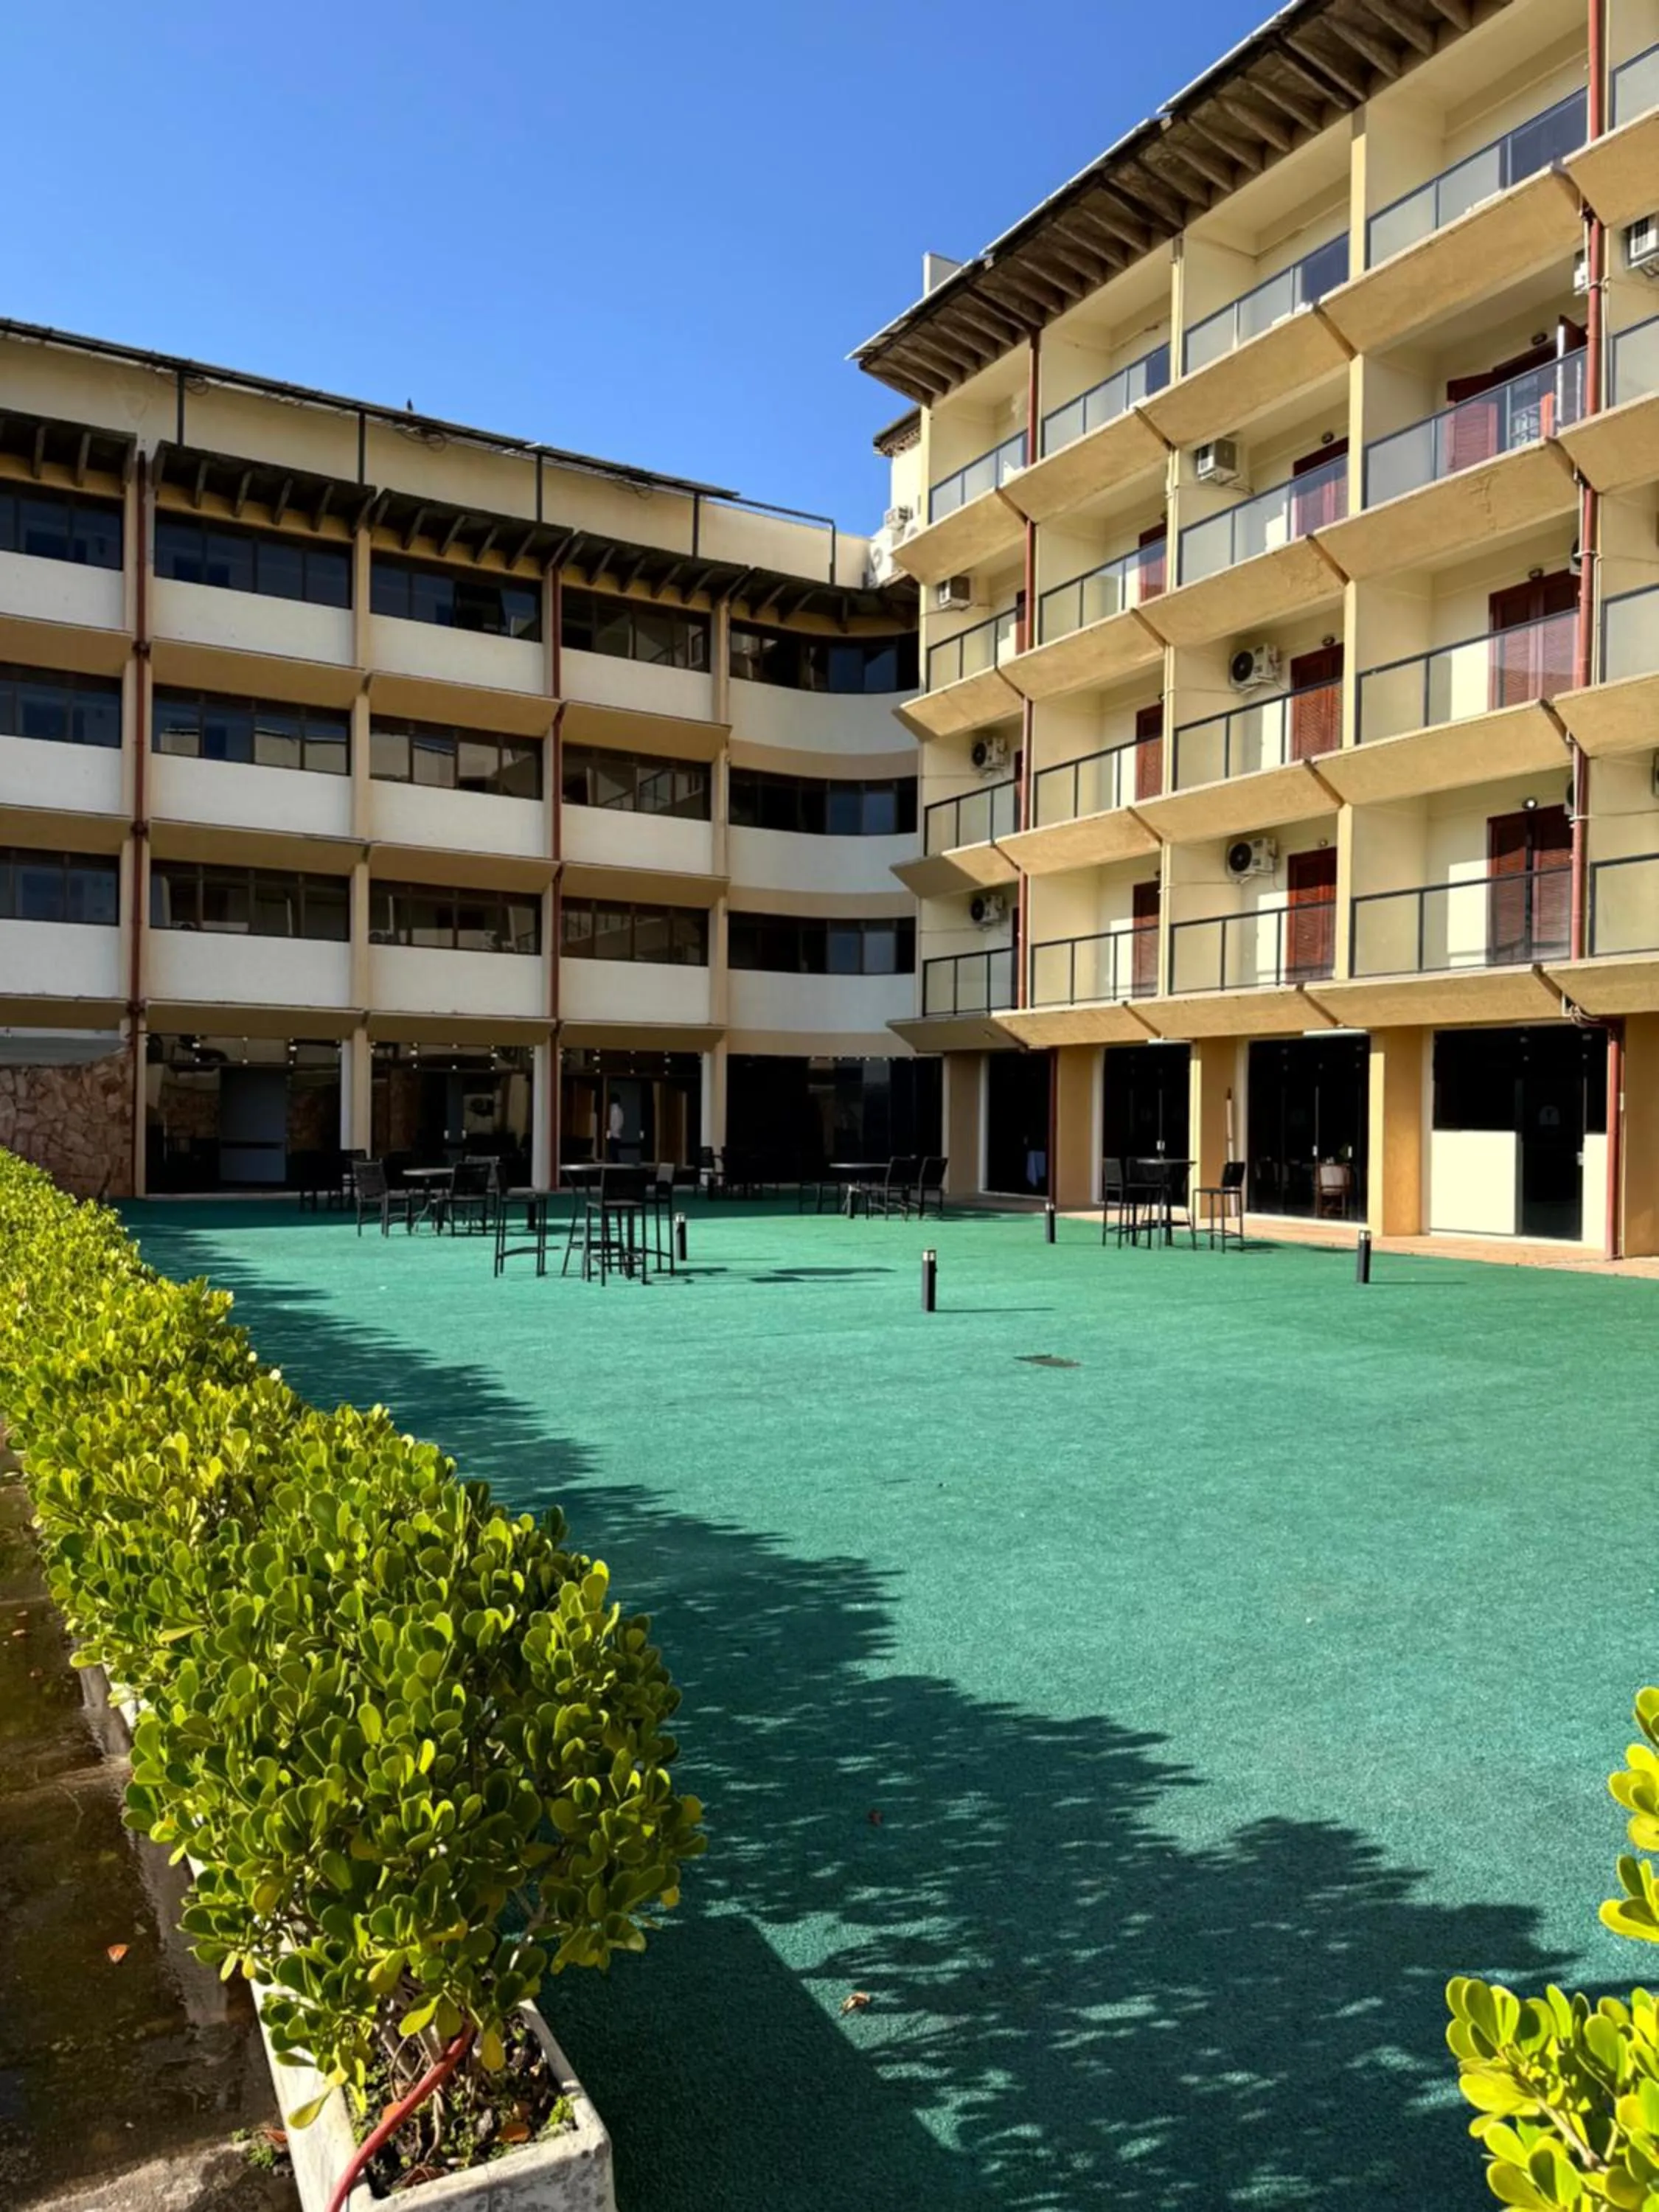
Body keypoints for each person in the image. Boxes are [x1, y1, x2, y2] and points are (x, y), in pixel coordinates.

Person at [607, 1096, 625, 1161]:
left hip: (613, 1135)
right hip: (617, 1135)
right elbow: (621, 1123)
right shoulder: (620, 1110)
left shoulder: (612, 1110)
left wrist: (610, 1133)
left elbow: (611, 1123)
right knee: (615, 1155)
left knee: (613, 1155)